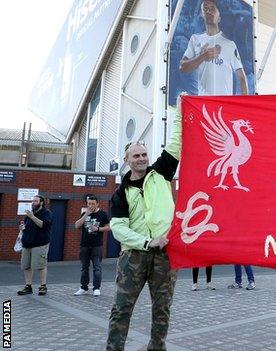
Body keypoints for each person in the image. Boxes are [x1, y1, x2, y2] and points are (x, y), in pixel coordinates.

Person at [106, 95, 183, 351]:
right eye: (136, 155)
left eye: (144, 154)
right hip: (134, 257)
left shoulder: (161, 173)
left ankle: (156, 347)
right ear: (127, 160)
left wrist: (181, 110)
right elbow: (118, 229)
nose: (141, 158)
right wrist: (148, 242)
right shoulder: (120, 194)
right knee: (121, 308)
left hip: (165, 256)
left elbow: (175, 142)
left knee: (162, 309)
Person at [179, 0, 248, 96]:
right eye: (205, 8)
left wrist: (243, 107)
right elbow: (183, 67)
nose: (209, 11)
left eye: (212, 8)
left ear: (219, 17)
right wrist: (202, 57)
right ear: (201, 14)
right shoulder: (195, 39)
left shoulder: (230, 44)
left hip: (224, 104)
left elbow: (241, 78)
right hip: (204, 104)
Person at [73, 195, 110, 296]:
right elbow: (76, 226)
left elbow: (108, 227)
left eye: (93, 203)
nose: (91, 205)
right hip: (84, 245)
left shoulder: (103, 214)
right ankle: (83, 287)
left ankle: (96, 288)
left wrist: (98, 229)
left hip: (96, 245)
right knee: (84, 267)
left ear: (97, 204)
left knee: (97, 267)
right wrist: (86, 215)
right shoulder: (84, 214)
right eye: (89, 203)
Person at [17, 195, 52, 296]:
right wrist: (22, 227)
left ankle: (43, 286)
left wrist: (32, 217)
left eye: (35, 201)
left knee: (41, 265)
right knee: (26, 266)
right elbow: (27, 226)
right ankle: (28, 286)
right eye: (32, 201)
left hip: (40, 243)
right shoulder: (29, 214)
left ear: (41, 203)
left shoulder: (46, 213)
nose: (33, 203)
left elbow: (43, 225)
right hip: (27, 243)